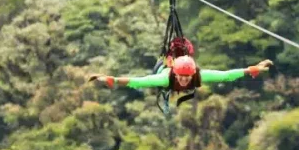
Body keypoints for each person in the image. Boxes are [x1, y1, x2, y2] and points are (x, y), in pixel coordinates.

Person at [87, 56, 274, 90]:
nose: (184, 80)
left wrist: (251, 69)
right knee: (148, 83)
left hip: (175, 66)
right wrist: (111, 79)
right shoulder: (164, 78)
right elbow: (139, 81)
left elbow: (225, 75)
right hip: (161, 68)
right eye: (182, 77)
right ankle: (168, 57)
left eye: (187, 77)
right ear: (176, 74)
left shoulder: (199, 75)